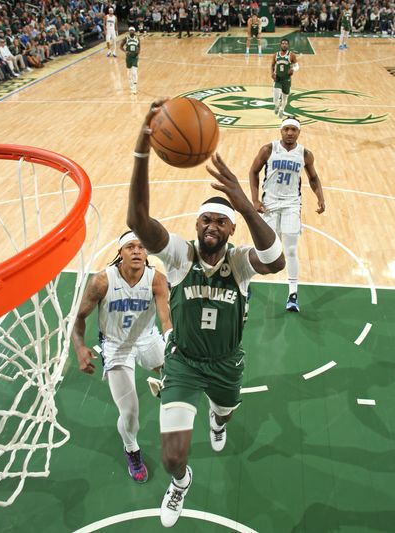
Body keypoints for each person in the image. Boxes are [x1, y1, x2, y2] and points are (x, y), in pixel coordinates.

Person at [127, 100, 285, 528]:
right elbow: (138, 220)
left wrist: (246, 204)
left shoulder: (239, 262)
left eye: (220, 220)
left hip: (226, 364)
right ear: (196, 226)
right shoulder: (180, 257)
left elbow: (276, 261)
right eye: (204, 220)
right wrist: (143, 147)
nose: (210, 226)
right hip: (183, 364)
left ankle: (218, 418)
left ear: (231, 227)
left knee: (225, 411)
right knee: (172, 454)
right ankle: (180, 483)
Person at [71, 231, 171, 483]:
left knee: (180, 380)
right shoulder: (102, 282)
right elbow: (78, 317)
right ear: (120, 253)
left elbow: (166, 319)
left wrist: (171, 343)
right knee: (129, 413)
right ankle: (132, 449)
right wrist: (80, 346)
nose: (137, 251)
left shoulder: (156, 280)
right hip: (116, 346)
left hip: (147, 338)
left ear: (146, 253)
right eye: (130, 247)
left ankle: (166, 386)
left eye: (141, 247)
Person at [248, 117, 325, 312]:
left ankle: (292, 294)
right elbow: (253, 172)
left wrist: (320, 197)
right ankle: (246, 282)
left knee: (290, 251)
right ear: (281, 131)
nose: (290, 133)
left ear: (299, 132)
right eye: (286, 129)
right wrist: (255, 199)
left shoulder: (305, 154)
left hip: (292, 205)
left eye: (293, 130)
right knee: (262, 249)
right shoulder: (268, 149)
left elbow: (313, 178)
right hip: (270, 205)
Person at [271, 38, 298, 118]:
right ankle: (276, 105)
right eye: (283, 43)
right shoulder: (276, 55)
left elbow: (297, 66)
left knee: (284, 97)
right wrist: (272, 73)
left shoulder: (291, 55)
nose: (284, 45)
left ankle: (282, 109)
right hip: (278, 78)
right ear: (280, 45)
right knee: (275, 98)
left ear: (288, 45)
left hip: (287, 79)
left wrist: (293, 69)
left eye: (286, 43)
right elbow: (272, 65)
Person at [120, 27, 140, 94]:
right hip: (128, 58)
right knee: (129, 73)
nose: (131, 31)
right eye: (130, 30)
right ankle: (131, 86)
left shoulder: (137, 38)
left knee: (134, 72)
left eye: (132, 30)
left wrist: (138, 53)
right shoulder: (126, 38)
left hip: (135, 57)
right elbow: (121, 46)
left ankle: (135, 87)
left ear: (134, 31)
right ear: (129, 31)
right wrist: (125, 51)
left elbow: (139, 47)